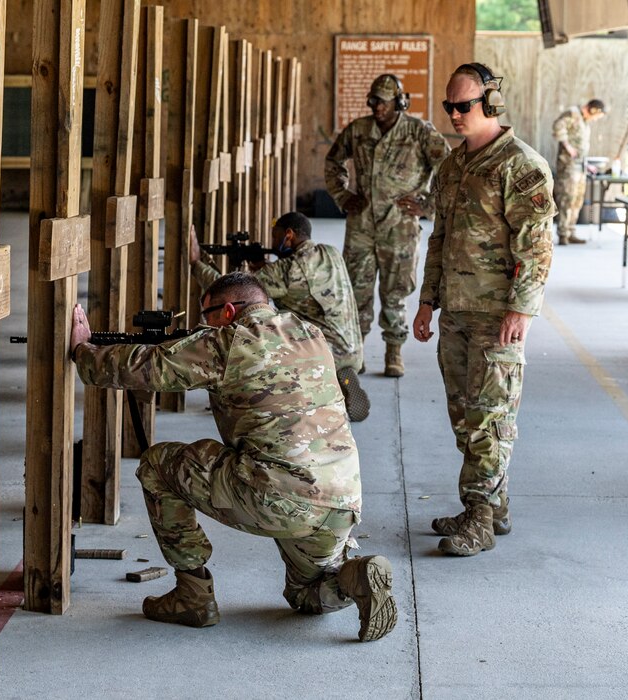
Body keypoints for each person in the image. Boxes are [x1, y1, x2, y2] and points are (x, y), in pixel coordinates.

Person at [70, 272, 397, 641]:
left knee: (157, 465)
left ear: (227, 311)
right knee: (306, 595)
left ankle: (192, 595)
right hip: (340, 502)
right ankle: (353, 577)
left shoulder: (232, 341)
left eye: (206, 317)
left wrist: (84, 351)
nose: (202, 328)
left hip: (277, 497)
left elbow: (148, 370)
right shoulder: (308, 332)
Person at [412, 63, 555, 557]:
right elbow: (440, 239)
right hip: (455, 313)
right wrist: (427, 300)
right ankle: (495, 504)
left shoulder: (522, 165)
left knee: (489, 420)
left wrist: (522, 309)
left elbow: (536, 249)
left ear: (491, 103)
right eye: (448, 106)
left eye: (464, 105)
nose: (454, 114)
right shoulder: (452, 166)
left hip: (498, 318)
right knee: (463, 417)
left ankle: (479, 519)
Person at [325, 73, 450, 378]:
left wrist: (427, 205)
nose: (377, 107)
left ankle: (394, 351)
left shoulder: (419, 132)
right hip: (362, 225)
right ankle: (356, 352)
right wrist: (343, 196)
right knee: (356, 292)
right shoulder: (359, 130)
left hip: (400, 226)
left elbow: (448, 168)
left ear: (400, 102)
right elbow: (334, 162)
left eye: (383, 102)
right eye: (373, 101)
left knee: (395, 292)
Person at [189, 213, 370, 422]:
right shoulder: (330, 253)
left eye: (275, 236)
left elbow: (234, 293)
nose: (273, 243)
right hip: (353, 348)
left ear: (289, 235)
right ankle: (335, 383)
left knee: (261, 336)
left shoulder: (286, 270)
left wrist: (196, 263)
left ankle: (318, 397)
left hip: (323, 351)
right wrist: (265, 268)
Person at [551, 99, 606, 245]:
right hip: (568, 167)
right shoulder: (573, 113)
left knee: (577, 201)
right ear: (592, 110)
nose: (595, 120)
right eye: (596, 116)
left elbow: (580, 145)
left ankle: (571, 232)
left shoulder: (584, 121)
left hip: (580, 167)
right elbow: (558, 126)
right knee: (566, 199)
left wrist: (587, 165)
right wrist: (567, 146)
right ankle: (563, 234)